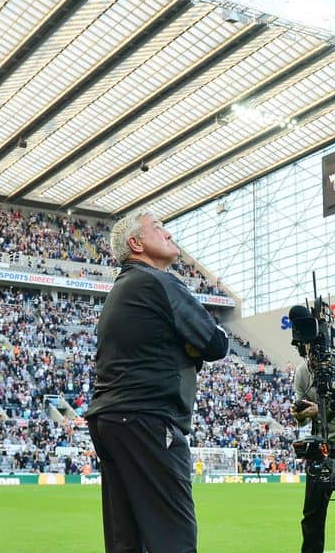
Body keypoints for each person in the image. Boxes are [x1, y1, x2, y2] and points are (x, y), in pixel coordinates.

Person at [85, 210, 230, 552]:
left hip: (111, 420)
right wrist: (190, 349)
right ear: (136, 244)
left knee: (126, 540)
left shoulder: (122, 288)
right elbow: (216, 343)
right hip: (148, 419)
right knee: (173, 538)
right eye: (157, 228)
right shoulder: (158, 282)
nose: (168, 233)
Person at [293, 339, 335, 553]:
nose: (313, 361)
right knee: (312, 512)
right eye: (309, 355)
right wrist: (300, 414)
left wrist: (322, 410)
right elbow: (302, 418)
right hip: (320, 444)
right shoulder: (302, 372)